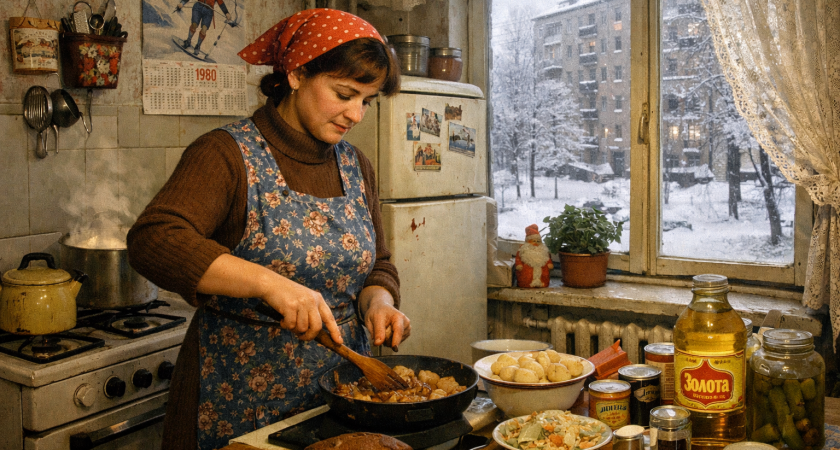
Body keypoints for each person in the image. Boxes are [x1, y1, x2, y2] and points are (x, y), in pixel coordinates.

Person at [127, 9, 409, 450]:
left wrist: (380, 301)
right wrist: (268, 283)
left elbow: (379, 264)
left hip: (343, 394)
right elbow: (154, 239)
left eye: (366, 101)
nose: (356, 114)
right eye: (344, 94)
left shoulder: (356, 165)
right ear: (296, 74)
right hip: (239, 398)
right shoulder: (225, 154)